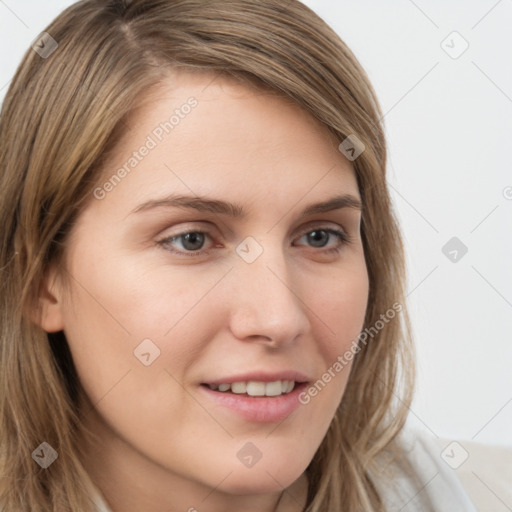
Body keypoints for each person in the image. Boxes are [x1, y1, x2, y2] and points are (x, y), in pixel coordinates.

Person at [0, 1, 476, 510]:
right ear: (39, 278)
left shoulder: (426, 491)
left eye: (320, 237)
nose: (279, 318)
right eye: (191, 240)